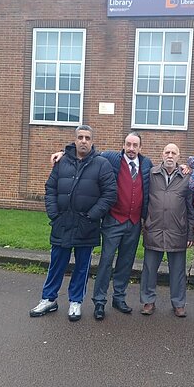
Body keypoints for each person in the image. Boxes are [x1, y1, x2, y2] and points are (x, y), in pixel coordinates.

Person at [50, 132, 153, 320]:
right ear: (123, 145)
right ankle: (99, 301)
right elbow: (84, 154)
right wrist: (63, 154)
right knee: (106, 261)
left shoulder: (146, 164)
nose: (131, 148)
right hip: (114, 220)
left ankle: (119, 298)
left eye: (135, 145)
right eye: (128, 144)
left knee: (125, 263)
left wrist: (187, 166)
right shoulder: (110, 159)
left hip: (134, 222)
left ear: (141, 148)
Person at [30, 125, 117, 322]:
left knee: (82, 266)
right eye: (80, 137)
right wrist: (54, 214)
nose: (83, 141)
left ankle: (75, 301)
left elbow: (110, 194)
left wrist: (92, 215)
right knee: (56, 264)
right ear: (75, 140)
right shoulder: (61, 162)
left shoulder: (102, 164)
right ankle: (48, 299)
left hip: (87, 225)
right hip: (62, 222)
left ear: (92, 141)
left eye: (87, 138)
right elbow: (50, 188)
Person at [140, 143, 194, 317]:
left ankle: (178, 303)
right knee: (149, 268)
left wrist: (191, 232)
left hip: (177, 230)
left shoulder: (187, 177)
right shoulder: (151, 173)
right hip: (154, 228)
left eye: (174, 153)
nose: (170, 156)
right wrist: (144, 222)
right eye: (167, 152)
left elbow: (191, 207)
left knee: (178, 271)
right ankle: (148, 301)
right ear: (162, 155)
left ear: (179, 157)